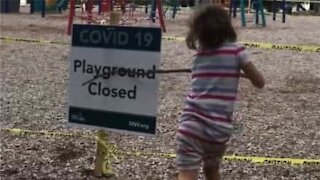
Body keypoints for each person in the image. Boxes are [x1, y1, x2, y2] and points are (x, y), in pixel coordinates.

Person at [176, 4, 265, 180]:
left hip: (191, 128)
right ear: (227, 27)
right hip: (218, 132)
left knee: (187, 173)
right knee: (212, 171)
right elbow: (260, 82)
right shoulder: (237, 51)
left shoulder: (198, 57)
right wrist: (243, 72)